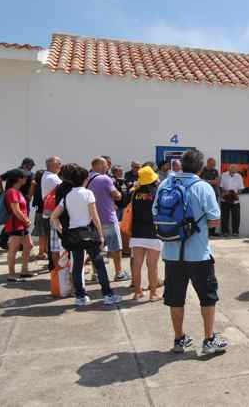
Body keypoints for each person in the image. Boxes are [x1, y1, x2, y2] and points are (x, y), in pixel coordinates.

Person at [152, 149, 228, 355]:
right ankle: (209, 340)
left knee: (175, 298)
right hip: (198, 254)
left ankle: (179, 339)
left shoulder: (165, 184)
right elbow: (214, 220)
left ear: (180, 165)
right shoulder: (203, 187)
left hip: (171, 253)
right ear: (200, 168)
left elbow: (155, 213)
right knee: (208, 297)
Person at [50, 164, 121, 307]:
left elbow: (53, 216)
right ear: (84, 179)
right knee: (99, 264)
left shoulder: (67, 195)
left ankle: (80, 296)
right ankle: (107, 294)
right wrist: (101, 235)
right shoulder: (88, 193)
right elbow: (95, 217)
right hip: (88, 232)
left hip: (73, 234)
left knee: (77, 265)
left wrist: (61, 229)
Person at [87, 157, 129, 281]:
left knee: (96, 248)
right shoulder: (105, 179)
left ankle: (96, 274)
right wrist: (120, 194)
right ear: (99, 165)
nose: (107, 167)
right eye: (105, 165)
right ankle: (119, 273)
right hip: (107, 218)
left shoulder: (86, 178)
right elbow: (117, 196)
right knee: (115, 247)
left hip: (92, 220)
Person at [129, 166, 162, 301]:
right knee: (152, 266)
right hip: (154, 232)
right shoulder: (157, 193)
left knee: (137, 265)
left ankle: (137, 292)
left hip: (137, 232)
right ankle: (153, 294)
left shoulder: (134, 193)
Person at [0, 157, 35, 249]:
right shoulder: (29, 174)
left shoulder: (12, 171)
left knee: (11, 219)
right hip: (21, 200)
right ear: (27, 165)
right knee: (22, 219)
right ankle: (13, 242)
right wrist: (29, 196)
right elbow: (33, 184)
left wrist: (2, 192)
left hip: (9, 198)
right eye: (31, 166)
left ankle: (5, 240)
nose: (31, 168)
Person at [3, 169, 34, 281]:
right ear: (18, 179)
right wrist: (26, 220)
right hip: (16, 224)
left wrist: (25, 221)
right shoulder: (12, 192)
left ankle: (24, 270)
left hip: (21, 224)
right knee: (14, 248)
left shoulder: (17, 191)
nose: (26, 179)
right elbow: (16, 210)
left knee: (29, 245)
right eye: (24, 177)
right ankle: (11, 274)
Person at [41, 156, 63, 268]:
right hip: (54, 213)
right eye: (59, 163)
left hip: (49, 212)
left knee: (52, 242)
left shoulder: (47, 175)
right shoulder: (52, 178)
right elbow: (65, 190)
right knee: (55, 244)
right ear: (52, 165)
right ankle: (55, 267)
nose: (60, 166)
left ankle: (53, 266)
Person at [220, 164, 244, 237]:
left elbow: (241, 188)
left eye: (235, 170)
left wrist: (237, 194)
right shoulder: (224, 175)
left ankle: (235, 232)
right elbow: (221, 186)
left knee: (236, 216)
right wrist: (225, 192)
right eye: (232, 169)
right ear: (229, 169)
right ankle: (225, 232)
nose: (234, 171)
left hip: (235, 199)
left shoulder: (239, 176)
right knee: (224, 216)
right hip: (225, 198)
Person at [29, 170, 48, 259]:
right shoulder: (45, 185)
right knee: (44, 233)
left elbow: (30, 196)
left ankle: (43, 251)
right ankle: (42, 252)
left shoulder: (35, 185)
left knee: (42, 233)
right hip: (46, 211)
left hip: (39, 211)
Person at [200, 158, 220, 236]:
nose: (213, 166)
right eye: (212, 164)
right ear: (208, 163)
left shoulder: (215, 171)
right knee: (204, 213)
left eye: (214, 164)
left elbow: (216, 181)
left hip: (214, 194)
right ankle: (205, 232)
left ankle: (212, 231)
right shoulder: (202, 170)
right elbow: (199, 180)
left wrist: (206, 181)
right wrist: (211, 181)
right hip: (204, 195)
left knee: (213, 212)